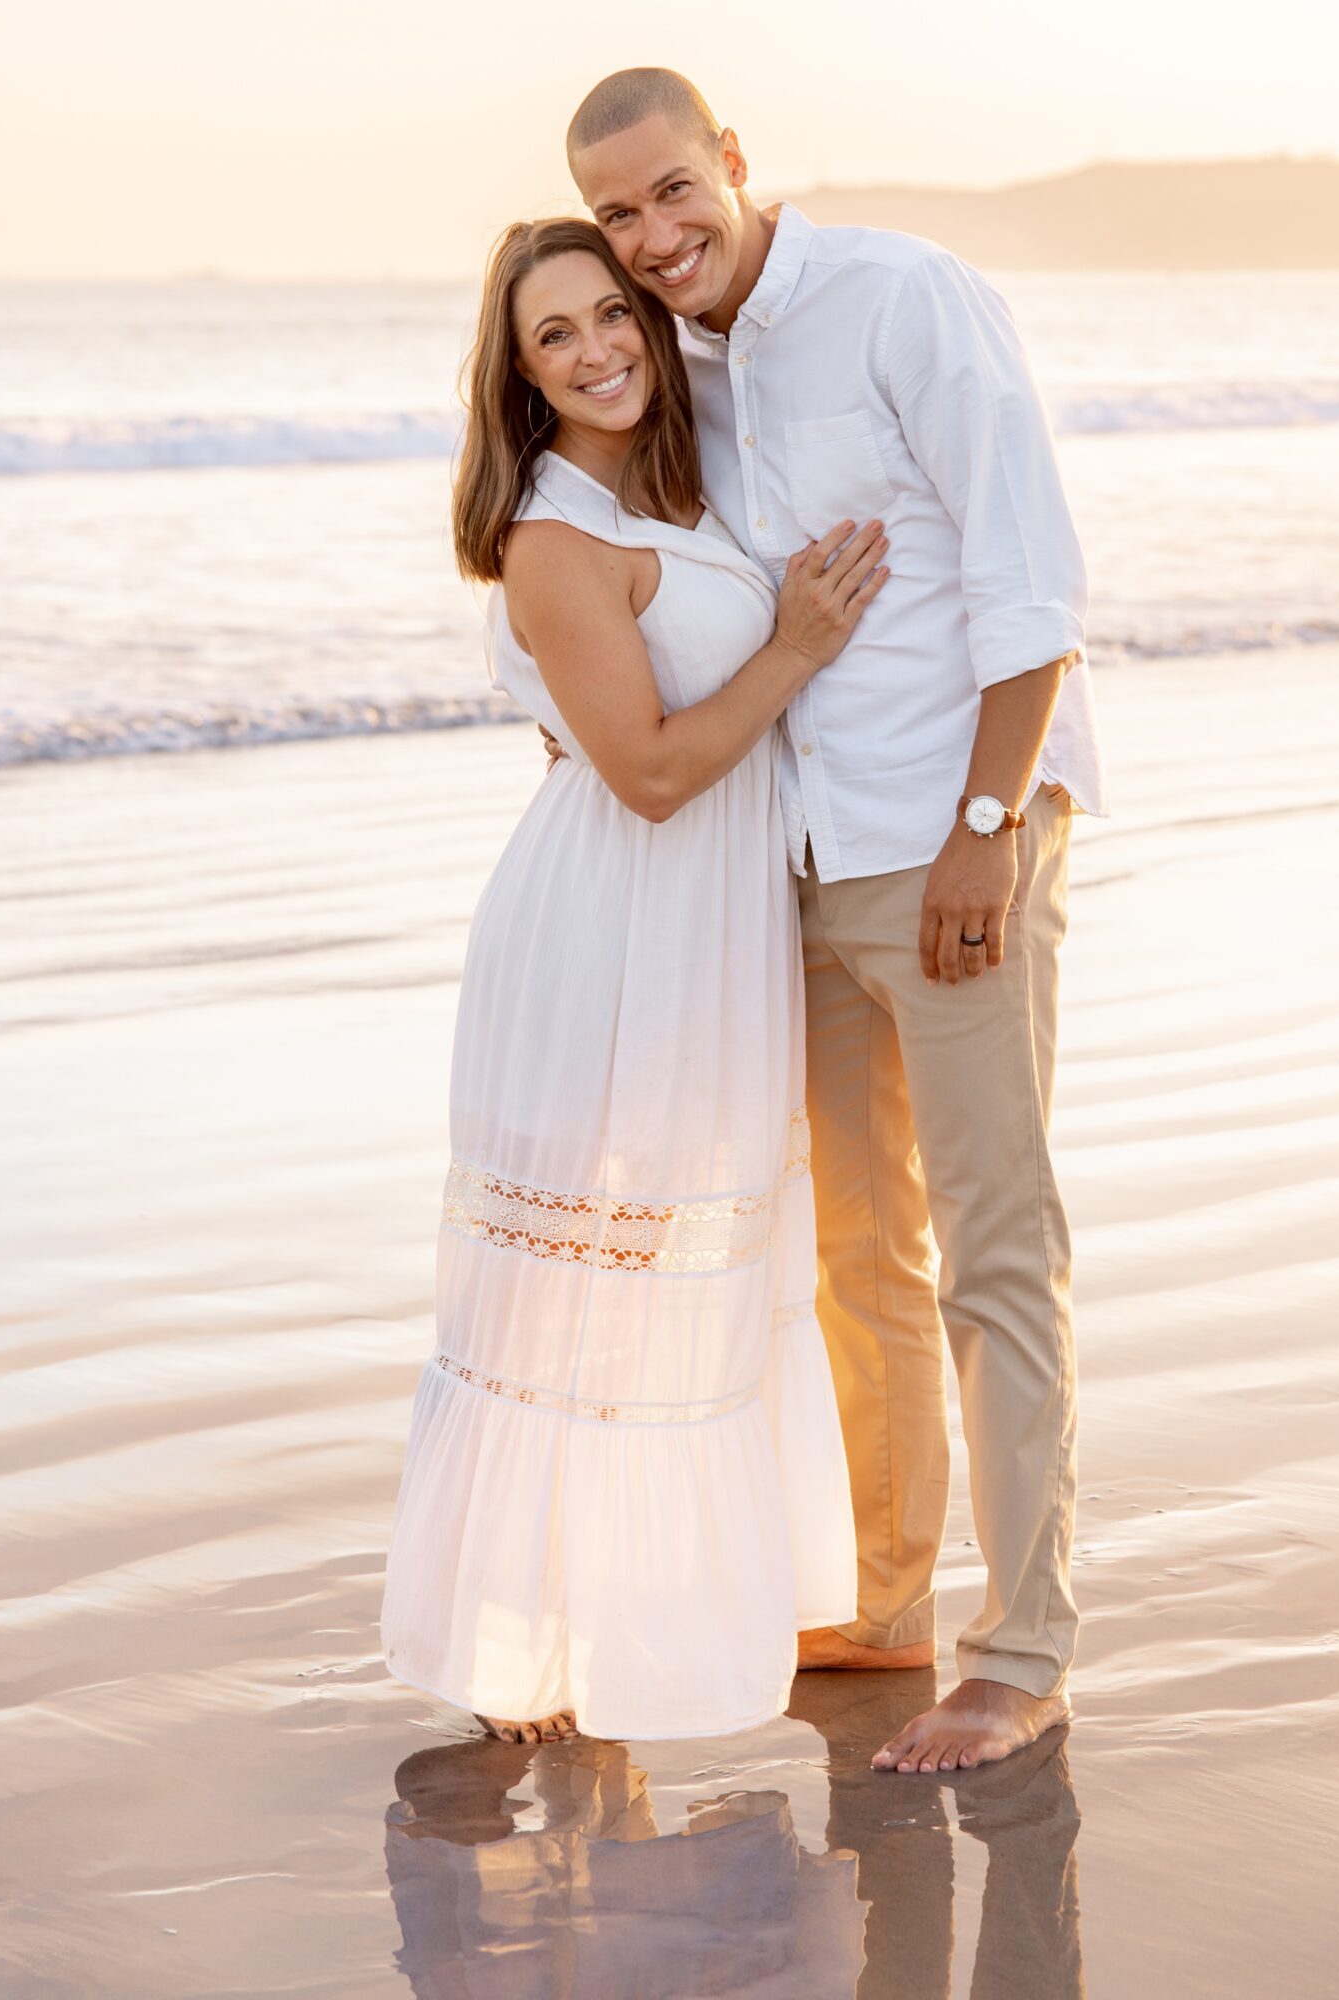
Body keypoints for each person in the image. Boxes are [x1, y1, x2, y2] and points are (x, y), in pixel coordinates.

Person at [567, 72, 1109, 1774]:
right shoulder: (689, 375)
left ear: (733, 161)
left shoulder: (904, 295)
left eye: (673, 193)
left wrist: (985, 830)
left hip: (950, 834)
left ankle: (1024, 1651)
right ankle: (889, 1606)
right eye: (619, 219)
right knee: (859, 1258)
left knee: (994, 1249)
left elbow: (1033, 580)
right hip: (796, 859)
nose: (655, 242)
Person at [380, 216, 883, 1743]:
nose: (599, 347)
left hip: (704, 937)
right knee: (572, 1291)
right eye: (556, 336)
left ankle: (625, 1625)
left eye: (613, 314)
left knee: (678, 1279)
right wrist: (794, 645)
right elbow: (654, 774)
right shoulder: (553, 536)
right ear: (518, 376)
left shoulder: (665, 495)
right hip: (608, 938)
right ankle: (519, 1658)